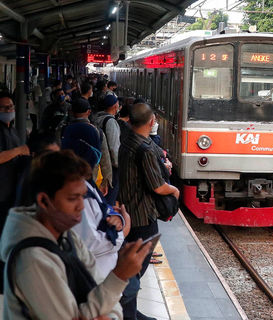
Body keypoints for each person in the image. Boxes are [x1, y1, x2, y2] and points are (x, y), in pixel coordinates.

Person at [0, 150, 152, 319]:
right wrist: (119, 276)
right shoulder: (32, 260)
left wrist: (105, 314)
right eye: (72, 198)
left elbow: (106, 297)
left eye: (82, 196)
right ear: (44, 201)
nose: (81, 206)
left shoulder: (67, 237)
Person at [118, 103, 179, 320]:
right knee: (136, 267)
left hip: (128, 210)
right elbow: (158, 186)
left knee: (132, 263)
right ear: (152, 121)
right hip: (143, 216)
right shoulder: (144, 149)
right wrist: (175, 190)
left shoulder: (127, 141)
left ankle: (129, 309)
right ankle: (127, 312)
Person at [61, 98, 113, 197]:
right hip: (90, 177)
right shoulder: (97, 131)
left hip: (68, 177)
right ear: (89, 112)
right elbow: (105, 157)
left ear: (71, 111)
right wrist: (106, 181)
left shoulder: (64, 130)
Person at [0, 90, 30, 234]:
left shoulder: (11, 129)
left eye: (11, 106)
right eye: (5, 107)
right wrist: (19, 151)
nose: (9, 110)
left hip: (11, 189)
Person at [95, 95, 121, 205]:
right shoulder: (111, 122)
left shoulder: (97, 118)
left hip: (99, 164)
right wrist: (118, 165)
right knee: (109, 197)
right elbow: (114, 148)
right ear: (115, 106)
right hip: (110, 167)